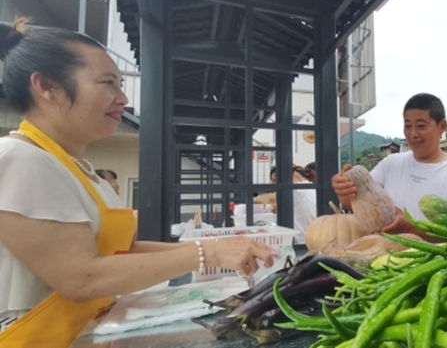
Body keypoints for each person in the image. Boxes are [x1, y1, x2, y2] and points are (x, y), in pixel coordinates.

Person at [0, 19, 280, 345]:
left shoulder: (80, 169)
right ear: (46, 85)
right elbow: (81, 278)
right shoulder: (19, 159)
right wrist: (209, 252)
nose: (123, 98)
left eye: (120, 85)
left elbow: (123, 252)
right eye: (108, 83)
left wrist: (218, 249)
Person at [332, 93, 447, 238]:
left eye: (421, 126)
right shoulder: (390, 164)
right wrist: (344, 191)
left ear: (442, 126)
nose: (413, 134)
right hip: (387, 258)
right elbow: (354, 204)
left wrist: (412, 228)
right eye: (408, 126)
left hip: (438, 262)